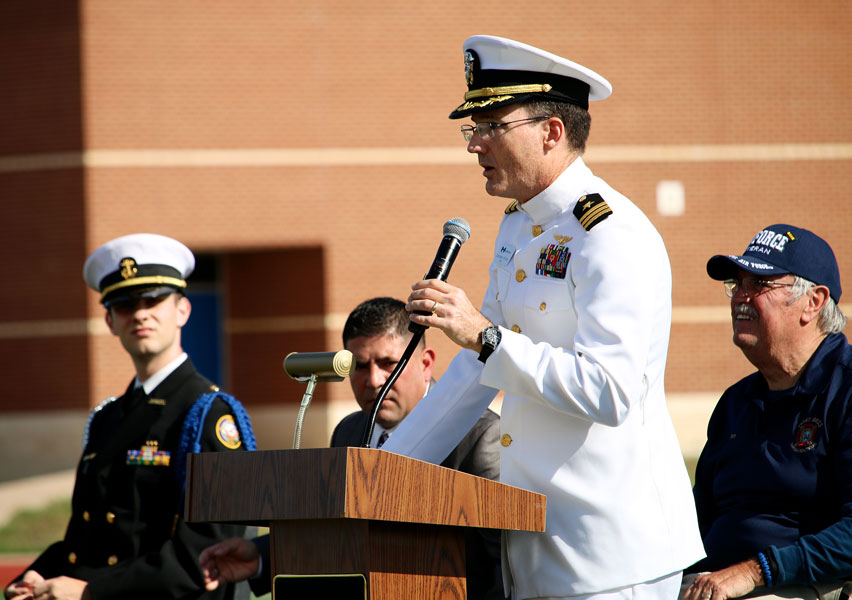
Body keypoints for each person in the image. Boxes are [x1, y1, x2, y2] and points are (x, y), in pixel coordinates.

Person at [379, 35, 705, 600]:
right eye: (472, 128)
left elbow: (609, 391)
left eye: (490, 127)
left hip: (613, 555)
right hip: (535, 548)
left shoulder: (611, 235)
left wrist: (484, 334)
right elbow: (473, 375)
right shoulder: (519, 227)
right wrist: (382, 472)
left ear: (551, 131)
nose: (475, 145)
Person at [199, 297, 504, 599]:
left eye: (388, 364)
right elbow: (341, 536)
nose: (374, 380)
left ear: (426, 364)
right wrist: (261, 556)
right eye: (359, 366)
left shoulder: (478, 436)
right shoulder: (349, 431)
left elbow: (502, 561)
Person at [5, 233, 255, 600]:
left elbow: (204, 555)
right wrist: (39, 574)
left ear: (182, 310)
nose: (140, 313)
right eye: (125, 305)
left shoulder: (208, 414)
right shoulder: (107, 418)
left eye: (154, 299)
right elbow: (89, 536)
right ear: (109, 320)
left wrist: (91, 589)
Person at [682, 224, 852, 600]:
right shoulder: (735, 403)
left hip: (806, 584)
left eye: (759, 284)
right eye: (737, 284)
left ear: (814, 302)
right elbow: (694, 523)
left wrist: (758, 571)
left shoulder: (846, 390)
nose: (740, 297)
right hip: (716, 584)